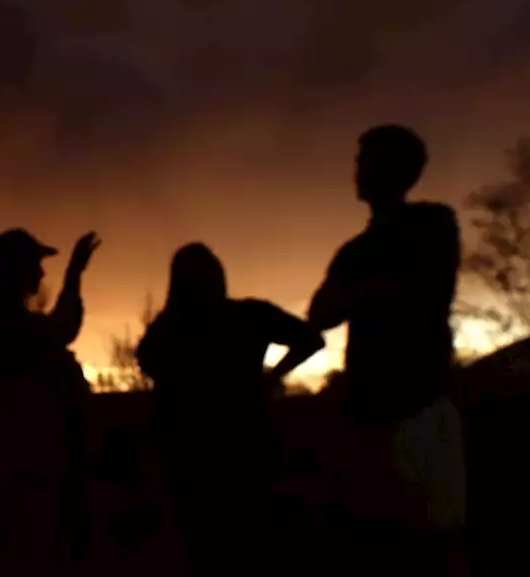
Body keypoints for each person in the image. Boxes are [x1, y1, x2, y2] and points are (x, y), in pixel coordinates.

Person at [307, 124, 467, 575]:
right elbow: (320, 313)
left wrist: (362, 293)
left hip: (419, 405)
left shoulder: (432, 222)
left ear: (399, 169)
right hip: (367, 412)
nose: (358, 170)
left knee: (433, 543)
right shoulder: (355, 249)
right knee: (380, 544)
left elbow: (429, 291)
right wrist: (375, 290)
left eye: (367, 160)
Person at [136, 242, 325, 577]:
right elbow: (312, 339)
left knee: (204, 547)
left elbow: (148, 362)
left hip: (192, 453)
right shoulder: (251, 314)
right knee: (251, 543)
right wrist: (272, 377)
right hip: (249, 446)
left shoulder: (171, 329)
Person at [0, 228, 101, 574]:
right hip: (25, 478)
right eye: (35, 265)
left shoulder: (0, 323)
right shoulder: (6, 327)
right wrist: (74, 275)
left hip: (31, 474)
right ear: (17, 271)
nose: (41, 273)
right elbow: (62, 329)